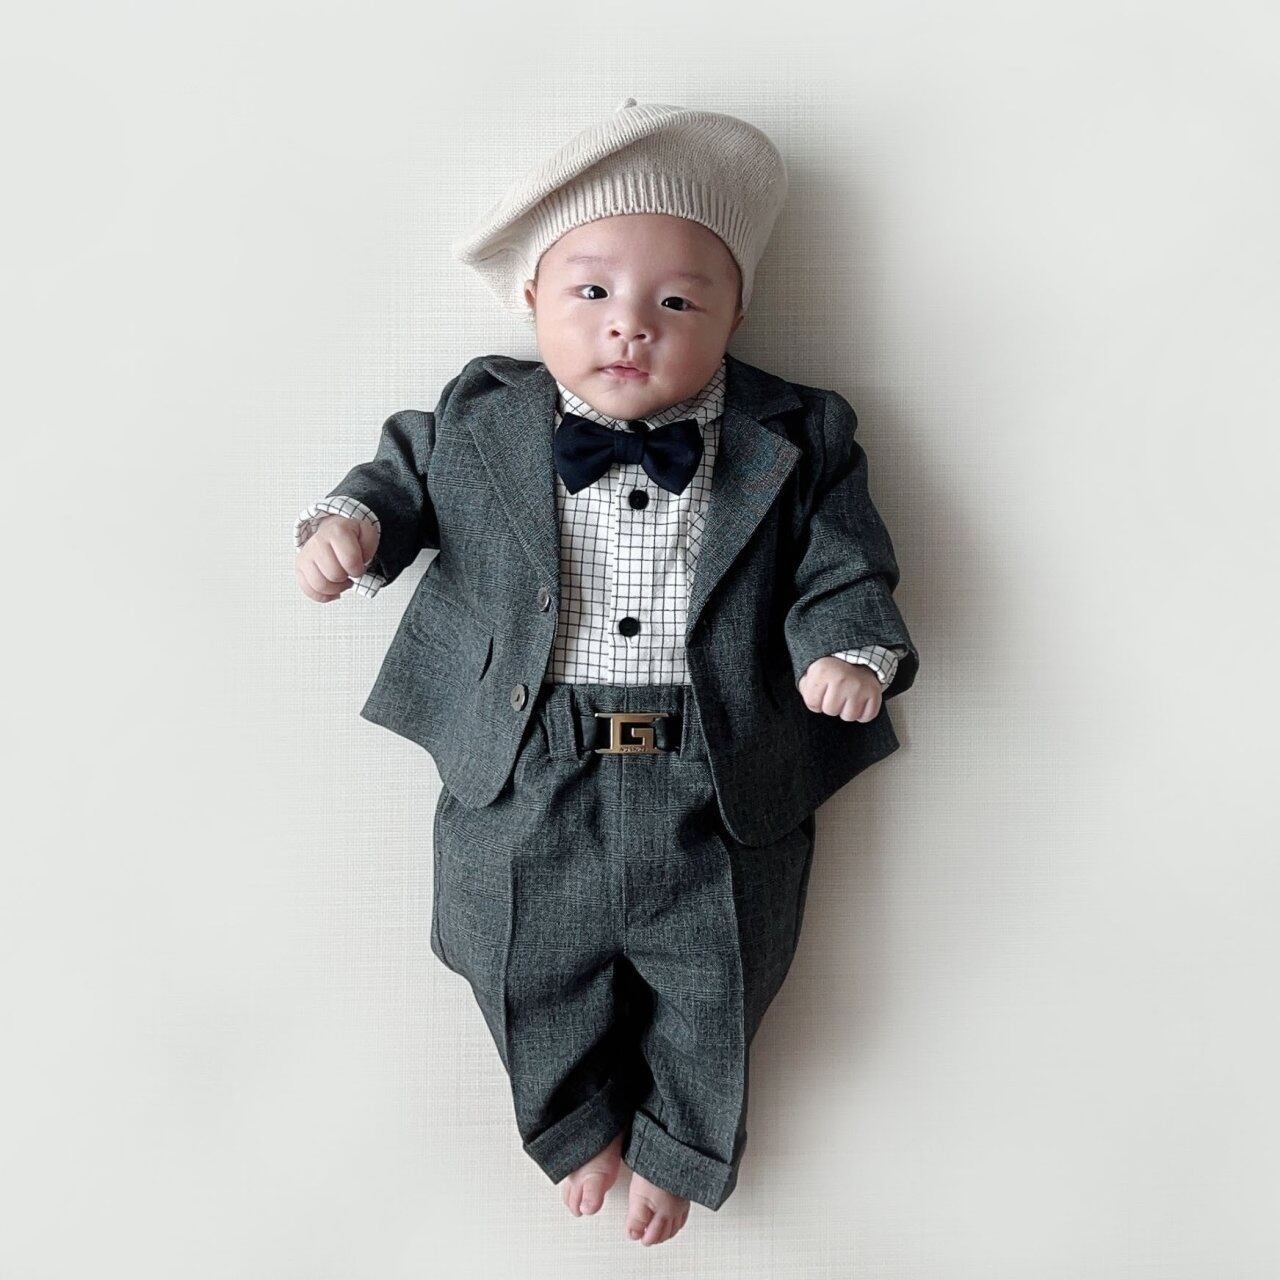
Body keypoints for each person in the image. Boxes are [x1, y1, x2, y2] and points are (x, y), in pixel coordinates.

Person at [293, 98, 920, 1246]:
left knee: (721, 965)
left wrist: (844, 648)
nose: (630, 325)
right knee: (504, 942)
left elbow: (841, 557)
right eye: (591, 291)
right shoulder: (481, 413)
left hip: (715, 764)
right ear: (532, 296)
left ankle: (682, 1138)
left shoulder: (798, 432)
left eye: (677, 302)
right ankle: (570, 1115)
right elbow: (399, 478)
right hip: (527, 759)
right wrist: (352, 528)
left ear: (734, 312)